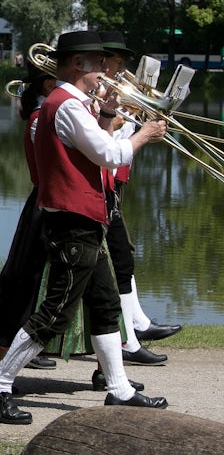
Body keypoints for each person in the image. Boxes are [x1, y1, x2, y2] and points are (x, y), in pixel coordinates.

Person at [0, 30, 169, 425]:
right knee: (55, 313)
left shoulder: (72, 104)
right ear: (79, 64)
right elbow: (108, 154)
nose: (105, 71)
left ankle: (119, 389)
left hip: (85, 219)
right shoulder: (67, 105)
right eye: (99, 64)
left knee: (106, 305)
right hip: (72, 222)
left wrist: (108, 115)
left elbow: (95, 147)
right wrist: (145, 134)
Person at [0, 66, 57, 380]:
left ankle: (111, 371)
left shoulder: (55, 113)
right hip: (48, 207)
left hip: (62, 205)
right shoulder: (42, 118)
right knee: (26, 288)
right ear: (49, 85)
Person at [97, 30, 180, 365]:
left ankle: (134, 327)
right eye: (118, 61)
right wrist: (125, 119)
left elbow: (122, 144)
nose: (122, 68)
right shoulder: (96, 95)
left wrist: (144, 128)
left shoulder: (110, 93)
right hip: (101, 184)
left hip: (114, 180)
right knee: (118, 258)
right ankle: (128, 337)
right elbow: (105, 141)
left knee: (121, 256)